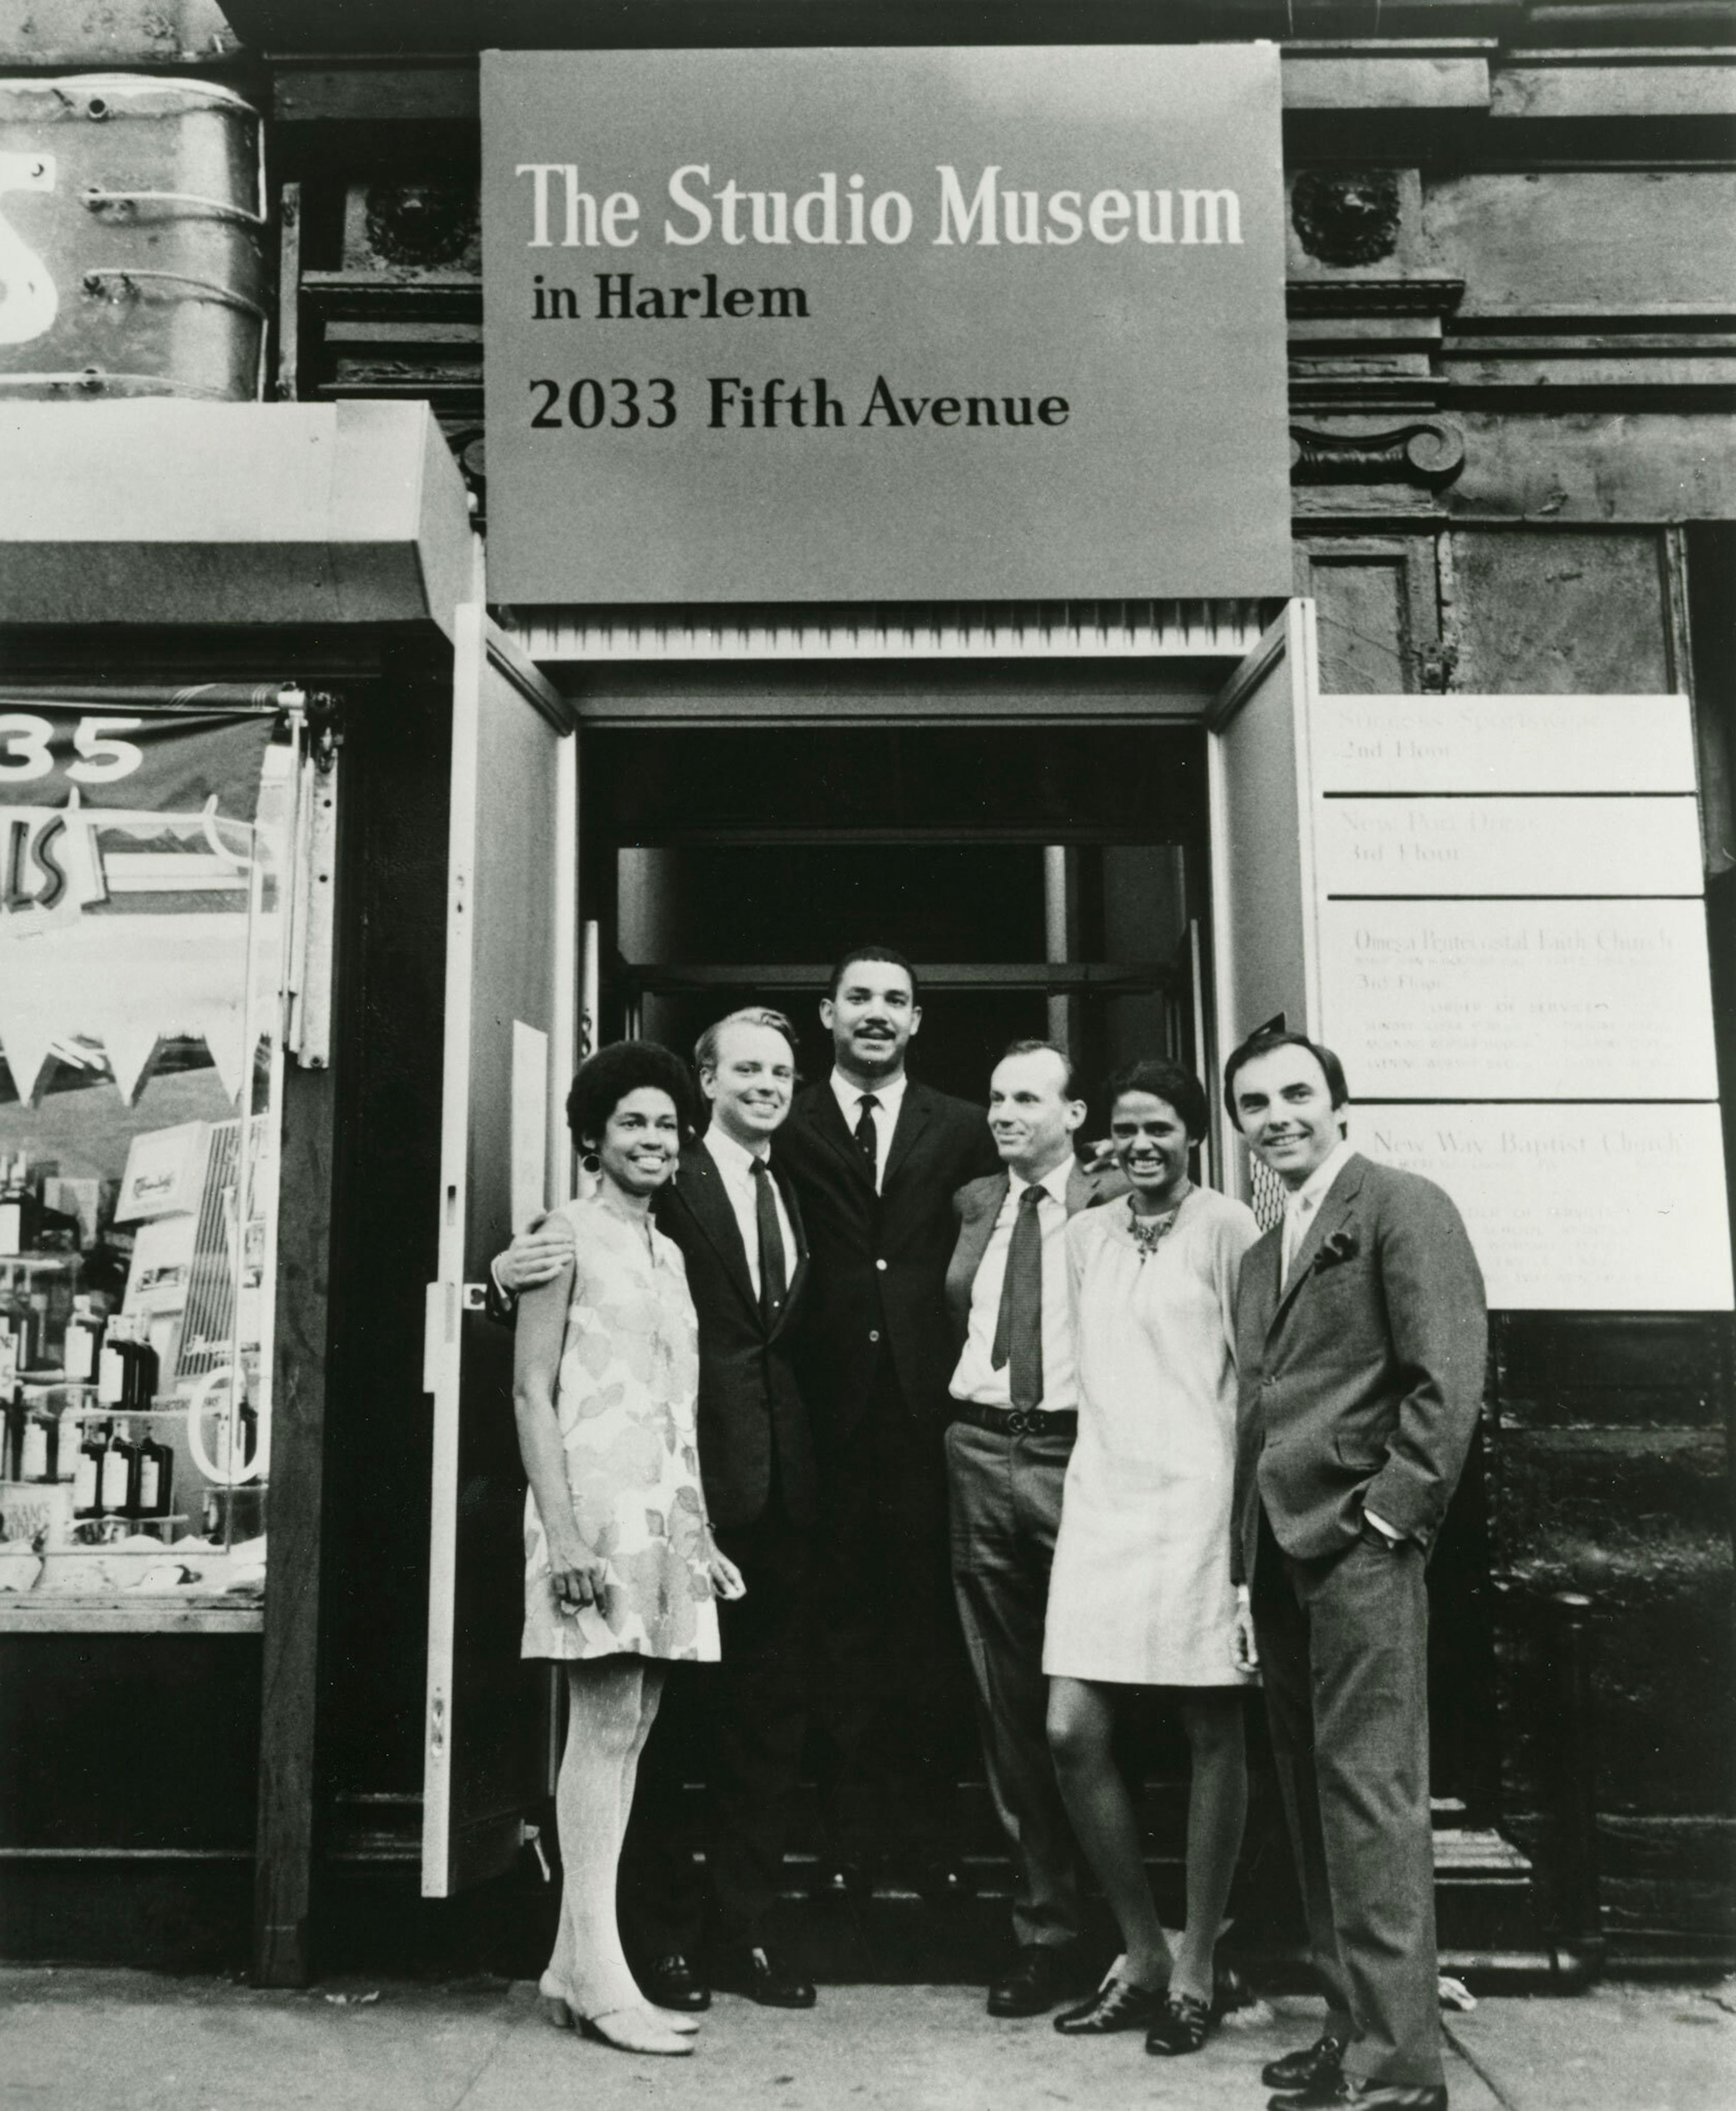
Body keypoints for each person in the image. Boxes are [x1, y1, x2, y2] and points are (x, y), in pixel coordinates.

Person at [1225, 1028, 1486, 2111]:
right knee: (1313, 1800)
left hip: (1360, 1550)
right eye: (1254, 1103)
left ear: (1338, 1104)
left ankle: (1400, 2070)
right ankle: (1352, 2029)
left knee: (1371, 1801)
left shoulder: (1399, 1204)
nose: (1278, 1115)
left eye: (1297, 1095)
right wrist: (1246, 1573)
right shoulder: (1261, 1248)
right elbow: (1259, 1416)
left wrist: (1390, 1522)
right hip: (1284, 1558)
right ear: (1235, 1124)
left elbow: (1446, 1378)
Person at [512, 1040, 742, 2060]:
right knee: (602, 1725)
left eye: (666, 1124)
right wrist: (561, 1531)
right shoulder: (560, 1237)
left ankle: (573, 1965)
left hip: (659, 1516)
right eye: (633, 1124)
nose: (654, 1139)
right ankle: (601, 1975)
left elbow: (673, 1407)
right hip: (591, 1512)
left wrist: (701, 1534)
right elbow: (531, 1390)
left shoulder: (668, 1251)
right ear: (592, 1139)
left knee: (635, 1721)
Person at [1042, 1058, 1261, 2055]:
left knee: (1212, 1724)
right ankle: (1141, 1951)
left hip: (1201, 1501)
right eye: (1124, 1130)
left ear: (1193, 1137)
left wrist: (1245, 1522)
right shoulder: (1084, 1235)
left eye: (1159, 1129)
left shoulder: (1227, 1228)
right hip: (1104, 1498)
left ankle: (1199, 1963)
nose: (1139, 1146)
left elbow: (1255, 1375)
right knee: (1071, 1731)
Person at [777, 943, 999, 1895]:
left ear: (917, 1022)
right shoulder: (783, 1114)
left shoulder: (962, 1126)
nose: (876, 1012)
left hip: (926, 1407)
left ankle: (930, 1842)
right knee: (831, 1630)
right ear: (825, 1014)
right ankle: (842, 1844)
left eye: (895, 1000)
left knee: (926, 1631)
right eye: (858, 997)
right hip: (817, 1407)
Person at [618, 1008, 820, 2013]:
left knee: (767, 1728)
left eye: (781, 1071)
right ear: (705, 1080)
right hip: (686, 1494)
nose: (767, 1084)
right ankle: (662, 1939)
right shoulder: (668, 1175)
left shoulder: (798, 1184)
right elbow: (592, 1261)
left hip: (783, 1495)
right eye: (745, 1068)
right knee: (671, 1725)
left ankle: (747, 1930)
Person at [942, 1039, 1122, 2016]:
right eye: (996, 1096)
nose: (1006, 1113)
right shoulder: (976, 1203)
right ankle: (1045, 1931)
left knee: (1095, 1703)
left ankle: (1141, 1930)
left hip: (1078, 1456)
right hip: (976, 1452)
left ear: (1076, 1114)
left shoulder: (1116, 1200)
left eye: (1028, 1098)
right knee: (1005, 1708)